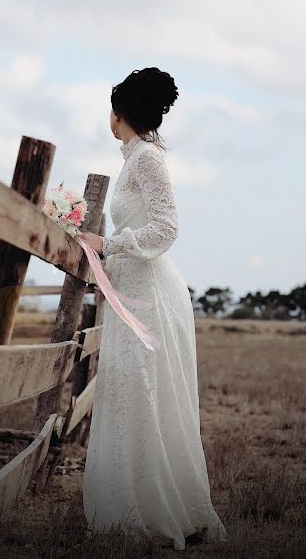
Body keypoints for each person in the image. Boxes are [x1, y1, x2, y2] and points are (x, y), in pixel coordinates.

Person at [76, 68, 228, 552]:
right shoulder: (134, 160)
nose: (109, 118)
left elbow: (166, 229)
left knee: (143, 390)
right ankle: (126, 504)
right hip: (132, 289)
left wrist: (111, 244)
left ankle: (158, 507)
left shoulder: (146, 159)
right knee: (128, 390)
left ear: (119, 114)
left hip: (151, 293)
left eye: (111, 109)